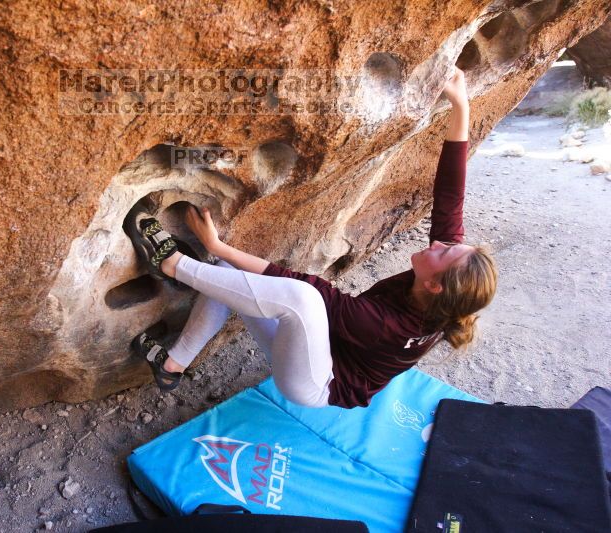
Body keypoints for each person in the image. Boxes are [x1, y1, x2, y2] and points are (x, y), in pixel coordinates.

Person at [126, 67, 497, 409]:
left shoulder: (389, 326)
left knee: (304, 297)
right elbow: (451, 195)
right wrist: (460, 104)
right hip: (313, 345)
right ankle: (173, 364)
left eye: (444, 252)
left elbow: (309, 290)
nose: (439, 243)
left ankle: (172, 264)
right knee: (226, 272)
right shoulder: (442, 291)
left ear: (434, 285)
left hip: (317, 382)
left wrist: (214, 245)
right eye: (449, 243)